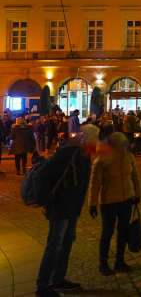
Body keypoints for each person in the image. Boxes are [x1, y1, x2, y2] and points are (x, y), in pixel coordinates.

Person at [35, 124, 99, 297]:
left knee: (66, 244)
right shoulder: (69, 152)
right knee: (54, 245)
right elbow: (47, 173)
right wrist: (49, 201)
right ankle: (42, 285)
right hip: (61, 206)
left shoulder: (84, 154)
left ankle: (58, 279)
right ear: (86, 137)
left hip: (72, 208)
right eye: (94, 138)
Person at [88, 132, 141, 275]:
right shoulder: (102, 160)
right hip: (109, 202)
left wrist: (137, 194)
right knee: (107, 232)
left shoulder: (128, 157)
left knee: (123, 231)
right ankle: (103, 263)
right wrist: (92, 203)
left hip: (126, 200)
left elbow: (135, 177)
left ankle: (120, 261)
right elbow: (95, 183)